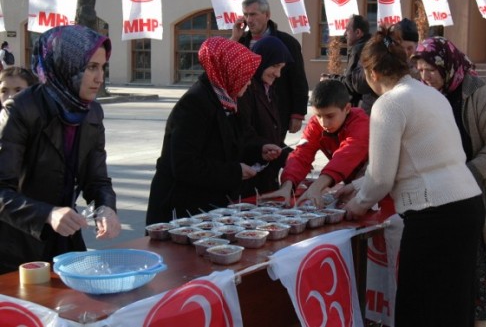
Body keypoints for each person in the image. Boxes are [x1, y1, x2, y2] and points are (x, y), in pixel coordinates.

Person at [337, 27, 484, 327]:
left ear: (372, 73)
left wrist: (356, 205)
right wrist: (351, 186)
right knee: (454, 303)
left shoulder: (389, 104)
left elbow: (381, 178)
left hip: (434, 214)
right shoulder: (430, 94)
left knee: (420, 305)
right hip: (467, 204)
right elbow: (411, 161)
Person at [412, 36, 486, 327]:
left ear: (446, 65)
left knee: (480, 285)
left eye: (430, 70)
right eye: (420, 71)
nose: (425, 77)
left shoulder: (477, 93)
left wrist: (464, 175)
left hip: (484, 191)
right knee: (454, 283)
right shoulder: (426, 95)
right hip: (445, 196)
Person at [0, 25, 121, 274]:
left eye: (102, 67)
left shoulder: (91, 112)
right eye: (91, 67)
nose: (99, 78)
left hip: (64, 237)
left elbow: (97, 179)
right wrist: (47, 213)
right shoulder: (20, 110)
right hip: (15, 244)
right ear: (64, 65)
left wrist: (105, 206)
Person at [146, 37, 282, 224]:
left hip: (209, 204)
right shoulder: (195, 104)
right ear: (229, 72)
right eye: (245, 76)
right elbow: (185, 165)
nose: (249, 83)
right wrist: (234, 172)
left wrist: (260, 149)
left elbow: (240, 137)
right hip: (181, 208)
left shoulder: (229, 98)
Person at [260, 79, 369, 208]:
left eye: (330, 116)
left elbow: (346, 155)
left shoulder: (360, 122)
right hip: (348, 179)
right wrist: (287, 185)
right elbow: (301, 155)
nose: (324, 123)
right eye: (319, 115)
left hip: (375, 179)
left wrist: (317, 186)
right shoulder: (315, 125)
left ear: (347, 108)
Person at [231, 0, 309, 140]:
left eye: (253, 14)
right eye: (246, 15)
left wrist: (298, 113)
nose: (249, 20)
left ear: (267, 15)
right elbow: (225, 66)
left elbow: (298, 79)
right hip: (246, 112)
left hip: (277, 112)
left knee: (272, 152)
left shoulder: (287, 42)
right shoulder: (240, 40)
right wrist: (234, 39)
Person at [238, 36, 293, 197]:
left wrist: (292, 156)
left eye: (281, 68)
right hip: (248, 179)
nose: (278, 74)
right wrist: (268, 149)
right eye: (275, 66)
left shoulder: (269, 90)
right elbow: (244, 133)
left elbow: (272, 134)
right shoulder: (245, 89)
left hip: (266, 178)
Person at [323, 14, 375, 110]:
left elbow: (350, 83)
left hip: (364, 106)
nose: (344, 34)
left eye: (347, 30)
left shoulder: (358, 49)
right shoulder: (369, 45)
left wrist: (331, 79)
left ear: (358, 32)